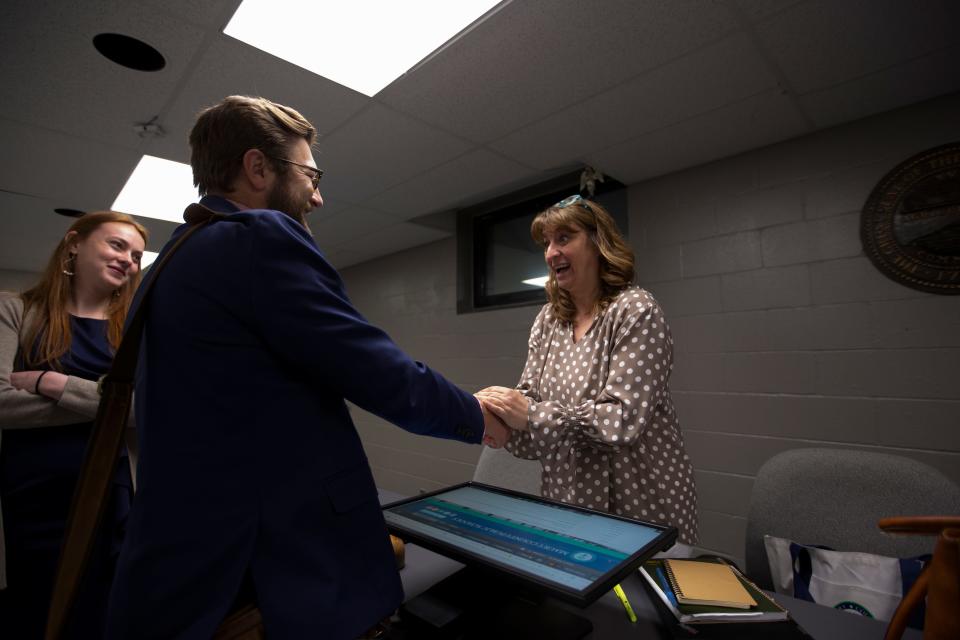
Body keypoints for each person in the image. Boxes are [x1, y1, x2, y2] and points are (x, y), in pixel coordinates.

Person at [105, 95, 509, 640]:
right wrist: (480, 416)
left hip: (185, 573)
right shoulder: (258, 236)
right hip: (274, 571)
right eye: (310, 175)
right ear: (257, 167)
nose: (318, 196)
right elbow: (372, 366)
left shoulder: (166, 265)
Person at [477, 195, 699, 550]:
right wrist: (498, 421)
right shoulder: (548, 320)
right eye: (547, 243)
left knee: (637, 603)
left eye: (564, 238)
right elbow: (532, 411)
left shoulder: (635, 310)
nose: (550, 253)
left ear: (598, 242)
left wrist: (530, 415)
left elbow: (620, 420)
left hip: (640, 503)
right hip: (568, 500)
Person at [0, 211, 147, 638]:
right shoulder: (15, 310)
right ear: (74, 243)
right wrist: (108, 405)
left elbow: (148, 410)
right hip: (33, 493)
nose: (128, 261)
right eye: (117, 245)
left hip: (113, 491)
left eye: (136, 255)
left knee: (107, 610)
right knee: (40, 610)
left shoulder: (133, 332)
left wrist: (52, 382)